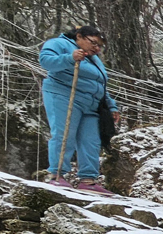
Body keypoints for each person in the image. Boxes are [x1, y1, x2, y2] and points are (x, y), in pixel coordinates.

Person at [39, 25, 120, 194]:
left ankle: (88, 180)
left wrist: (111, 105)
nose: (96, 48)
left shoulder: (94, 59)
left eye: (99, 46)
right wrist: (69, 58)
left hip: (91, 104)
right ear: (79, 36)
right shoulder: (58, 43)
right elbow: (45, 61)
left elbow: (100, 84)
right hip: (64, 95)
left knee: (91, 141)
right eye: (93, 43)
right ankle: (57, 175)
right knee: (64, 133)